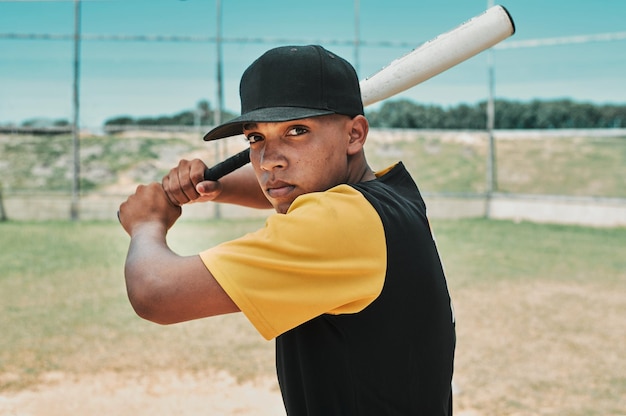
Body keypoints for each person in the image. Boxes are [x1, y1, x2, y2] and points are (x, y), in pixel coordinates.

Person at [118, 44, 456, 415]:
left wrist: (146, 222)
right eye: (255, 138)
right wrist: (219, 187)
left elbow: (157, 293)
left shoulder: (338, 221)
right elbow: (297, 186)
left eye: (296, 130)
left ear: (354, 135)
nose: (269, 162)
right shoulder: (392, 196)